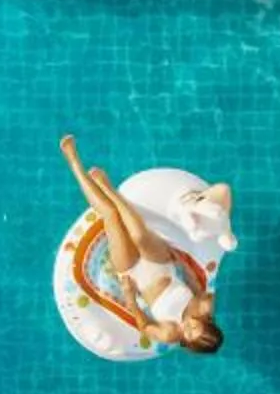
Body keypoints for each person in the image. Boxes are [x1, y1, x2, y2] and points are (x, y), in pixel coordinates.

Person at [59, 136, 223, 353]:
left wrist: (129, 295)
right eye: (198, 326)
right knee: (139, 236)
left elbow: (143, 326)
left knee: (110, 215)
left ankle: (73, 161)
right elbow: (196, 281)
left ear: (189, 343)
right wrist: (180, 260)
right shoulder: (201, 308)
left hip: (134, 275)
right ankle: (109, 189)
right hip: (161, 263)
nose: (190, 326)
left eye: (191, 334)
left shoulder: (170, 333)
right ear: (207, 322)